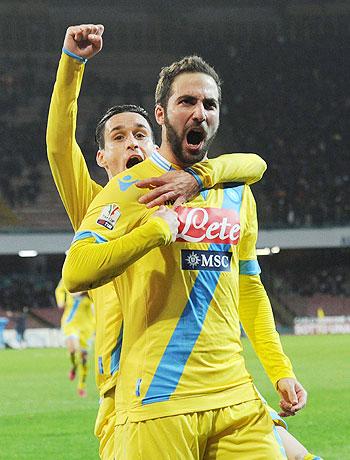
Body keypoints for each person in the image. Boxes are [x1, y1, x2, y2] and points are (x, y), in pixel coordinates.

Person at [63, 45, 312, 458]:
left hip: (235, 397)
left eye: (209, 104)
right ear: (160, 114)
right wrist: (154, 232)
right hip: (158, 400)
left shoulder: (235, 194)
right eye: (187, 102)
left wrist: (280, 371)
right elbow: (76, 271)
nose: (200, 112)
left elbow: (249, 287)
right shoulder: (128, 188)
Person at [55, 278, 95, 397]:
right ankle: (73, 366)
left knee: (84, 358)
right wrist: (61, 301)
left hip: (86, 327)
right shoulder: (71, 278)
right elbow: (59, 289)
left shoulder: (91, 283)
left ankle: (81, 386)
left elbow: (96, 304)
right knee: (73, 350)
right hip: (70, 323)